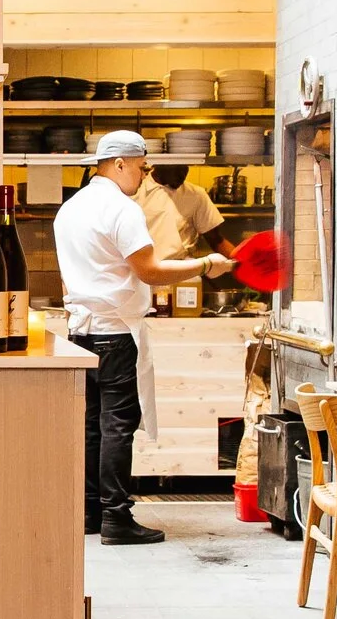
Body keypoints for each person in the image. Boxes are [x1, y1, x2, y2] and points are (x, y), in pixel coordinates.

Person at [53, 131, 233, 545]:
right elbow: (149, 271)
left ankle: (90, 512)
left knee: (92, 427)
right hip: (116, 333)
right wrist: (206, 264)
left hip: (80, 333)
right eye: (140, 166)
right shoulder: (122, 209)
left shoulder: (70, 208)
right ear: (119, 164)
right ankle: (117, 518)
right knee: (117, 426)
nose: (144, 175)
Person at [137, 164, 235, 264]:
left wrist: (239, 262)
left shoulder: (196, 195)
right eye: (177, 167)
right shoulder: (135, 192)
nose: (182, 174)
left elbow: (216, 240)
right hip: (143, 268)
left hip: (183, 268)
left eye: (185, 166)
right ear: (160, 163)